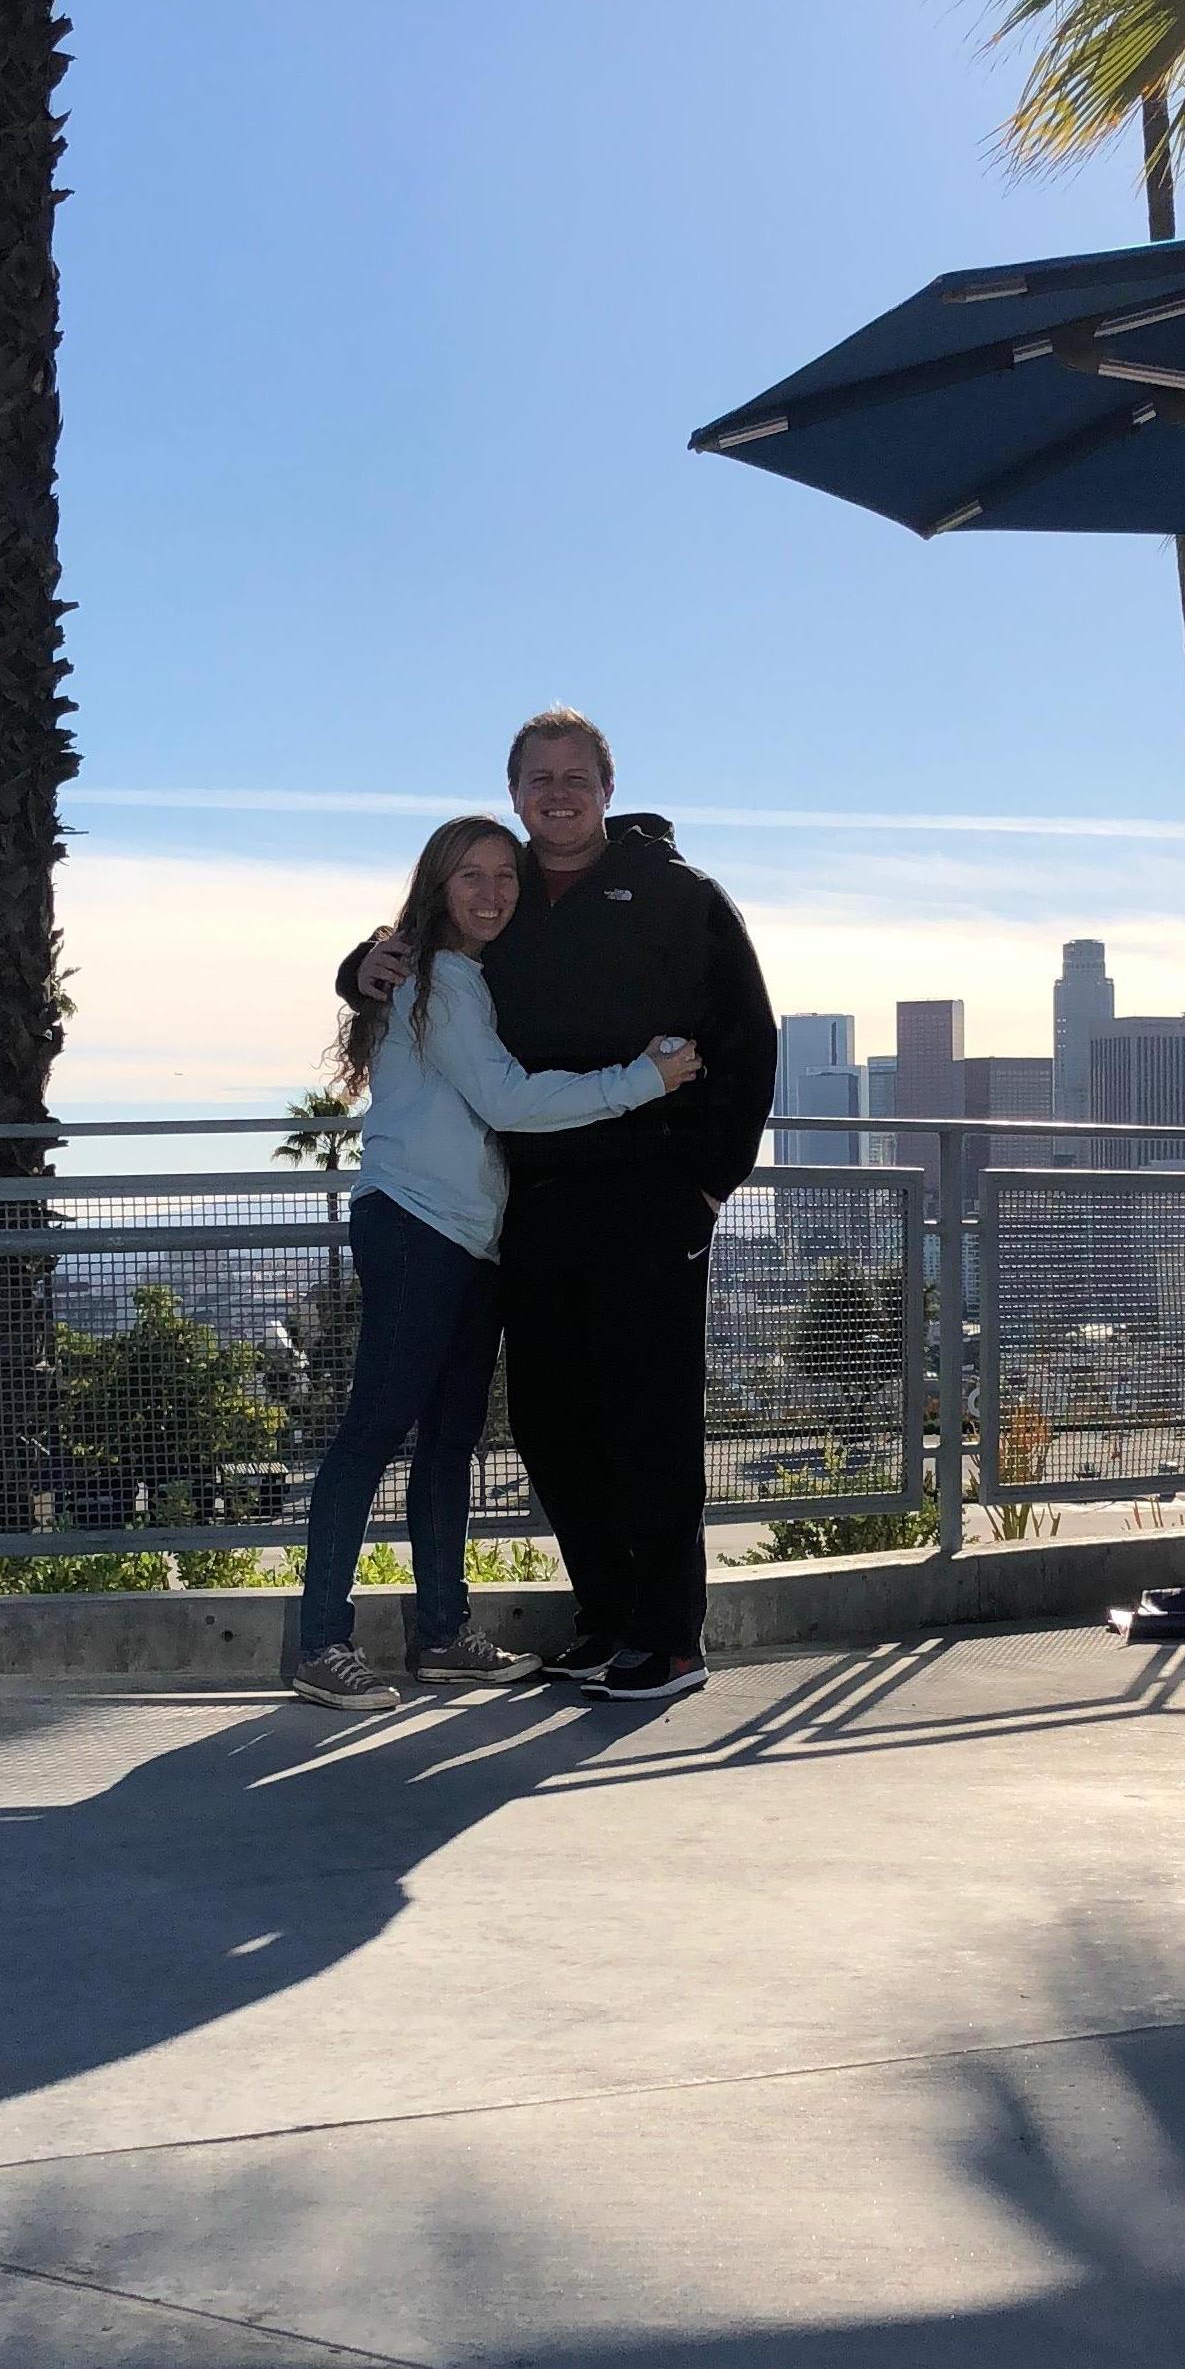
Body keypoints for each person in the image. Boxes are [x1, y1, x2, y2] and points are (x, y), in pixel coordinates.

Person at [342, 708, 776, 1705]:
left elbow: (748, 1036)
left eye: (574, 775)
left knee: (651, 1418)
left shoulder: (680, 895)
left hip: (651, 1198)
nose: (557, 793)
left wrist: (709, 1180)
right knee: (550, 1422)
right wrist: (351, 968)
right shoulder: (500, 895)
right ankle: (608, 1618)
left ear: (608, 787)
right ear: (514, 792)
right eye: (537, 778)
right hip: (531, 1201)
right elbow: (406, 955)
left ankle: (669, 1637)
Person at [291, 813, 702, 1716]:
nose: (491, 892)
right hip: (413, 1224)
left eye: (503, 876)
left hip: (471, 1235)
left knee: (447, 1443)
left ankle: (442, 1635)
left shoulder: (467, 976)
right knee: (376, 1427)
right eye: (469, 876)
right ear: (437, 888)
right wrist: (642, 1078)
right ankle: (319, 1641)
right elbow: (507, 1098)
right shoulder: (430, 977)